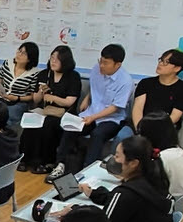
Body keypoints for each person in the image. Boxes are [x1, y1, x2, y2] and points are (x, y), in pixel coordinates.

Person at [47, 44, 132, 183]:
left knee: (98, 134)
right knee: (71, 127)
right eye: (101, 61)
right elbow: (95, 88)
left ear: (118, 64)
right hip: (91, 112)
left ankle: (87, 171)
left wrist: (93, 117)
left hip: (112, 118)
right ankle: (60, 164)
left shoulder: (125, 81)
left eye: (106, 63)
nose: (101, 65)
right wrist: (87, 98)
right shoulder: (96, 69)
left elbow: (115, 108)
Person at [19, 46, 82, 175]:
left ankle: (45, 161)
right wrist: (41, 92)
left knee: (48, 124)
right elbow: (36, 100)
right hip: (45, 110)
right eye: (52, 58)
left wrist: (52, 97)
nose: (53, 62)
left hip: (63, 113)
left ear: (65, 61)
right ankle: (25, 159)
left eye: (58, 59)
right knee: (29, 122)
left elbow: (69, 102)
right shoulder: (44, 74)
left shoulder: (73, 77)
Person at [136, 112, 183, 198]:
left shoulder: (162, 158)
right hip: (175, 197)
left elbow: (145, 184)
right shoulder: (178, 150)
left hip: (166, 200)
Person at [0, 41, 43, 128]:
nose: (19, 54)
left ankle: (6, 139)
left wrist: (17, 98)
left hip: (20, 102)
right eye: (19, 51)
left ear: (30, 58)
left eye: (24, 53)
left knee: (9, 115)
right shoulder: (7, 63)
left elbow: (32, 96)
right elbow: (0, 80)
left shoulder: (34, 73)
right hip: (3, 99)